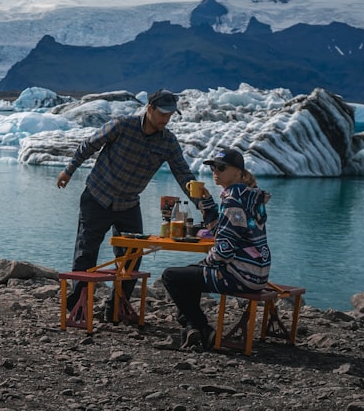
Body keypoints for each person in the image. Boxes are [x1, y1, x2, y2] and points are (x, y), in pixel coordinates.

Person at [56, 89, 211, 315]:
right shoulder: (122, 126)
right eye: (162, 114)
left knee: (131, 258)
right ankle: (78, 308)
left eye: (170, 115)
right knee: (86, 254)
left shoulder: (168, 141)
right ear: (149, 109)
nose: (166, 119)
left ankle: (117, 308)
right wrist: (68, 171)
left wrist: (200, 203)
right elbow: (89, 144)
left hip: (128, 204)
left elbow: (183, 174)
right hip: (97, 197)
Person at [160, 147, 272, 350]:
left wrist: (205, 263)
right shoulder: (249, 197)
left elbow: (225, 249)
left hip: (239, 275)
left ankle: (203, 330)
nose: (215, 172)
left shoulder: (233, 201)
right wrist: (207, 202)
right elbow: (223, 231)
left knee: (171, 276)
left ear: (238, 172)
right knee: (190, 275)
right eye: (213, 168)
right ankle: (194, 330)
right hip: (257, 274)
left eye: (221, 167)